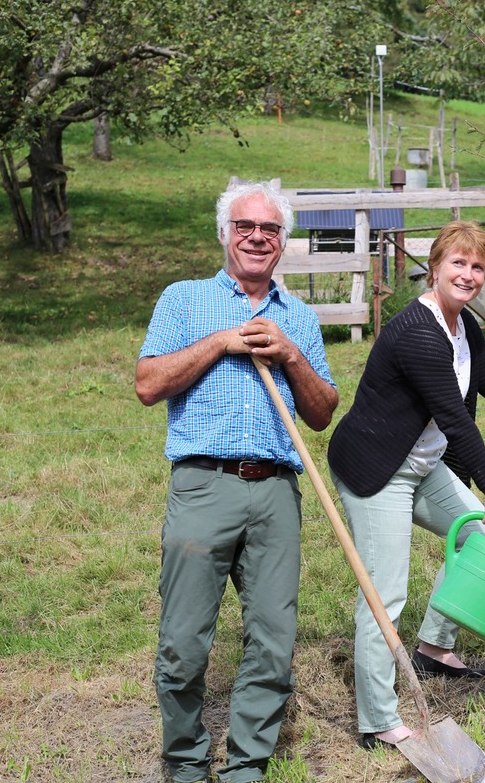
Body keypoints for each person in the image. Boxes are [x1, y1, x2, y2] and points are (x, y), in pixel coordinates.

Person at [326, 220, 485, 749]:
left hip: (422, 463)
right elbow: (455, 418)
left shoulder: (462, 326)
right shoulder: (416, 332)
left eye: (478, 267)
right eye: (458, 263)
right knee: (385, 594)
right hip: (375, 469)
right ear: (433, 268)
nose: (468, 274)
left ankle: (434, 646)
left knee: (483, 542)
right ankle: (378, 720)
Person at [135, 180, 338, 783]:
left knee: (274, 641)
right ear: (225, 233)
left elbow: (324, 412)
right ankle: (186, 763)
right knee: (183, 645)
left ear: (283, 243)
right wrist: (223, 342)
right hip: (204, 486)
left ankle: (247, 766)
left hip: (276, 491)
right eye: (246, 226)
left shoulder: (297, 317)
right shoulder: (185, 299)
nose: (257, 237)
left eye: (270, 230)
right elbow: (148, 383)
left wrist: (291, 355)